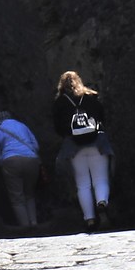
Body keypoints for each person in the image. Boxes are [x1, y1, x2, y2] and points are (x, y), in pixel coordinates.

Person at [53, 70, 113, 228]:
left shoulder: (59, 102)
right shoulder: (91, 96)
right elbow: (102, 117)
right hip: (96, 142)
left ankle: (90, 219)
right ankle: (102, 202)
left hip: (73, 147)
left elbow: (57, 127)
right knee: (100, 179)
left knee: (82, 184)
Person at [0, 110, 41, 229]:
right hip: (31, 160)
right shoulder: (23, 126)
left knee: (17, 196)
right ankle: (34, 223)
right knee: (29, 194)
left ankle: (25, 226)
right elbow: (36, 146)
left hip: (11, 161)